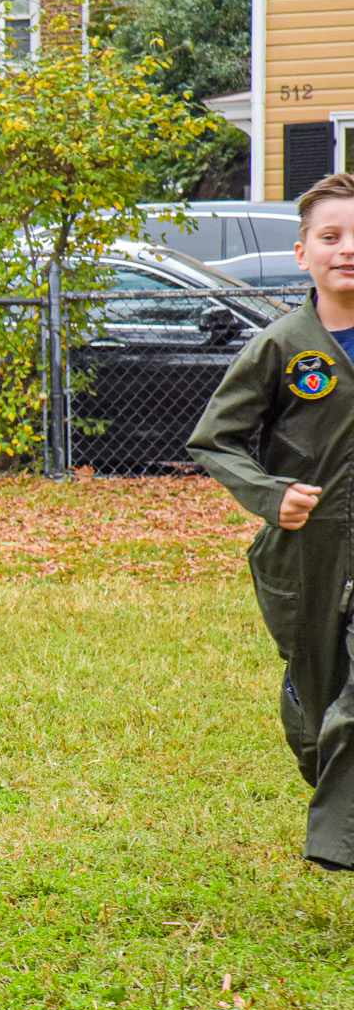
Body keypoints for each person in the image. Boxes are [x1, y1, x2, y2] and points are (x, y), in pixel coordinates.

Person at [188, 172, 354, 869]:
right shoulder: (283, 345)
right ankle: (332, 786)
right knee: (320, 711)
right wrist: (270, 492)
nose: (347, 249)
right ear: (302, 252)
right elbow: (214, 440)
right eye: (331, 236)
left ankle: (340, 844)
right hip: (307, 552)